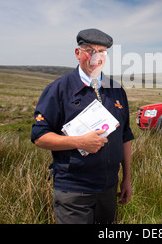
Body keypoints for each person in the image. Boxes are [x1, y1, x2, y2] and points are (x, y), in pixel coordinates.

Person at [31, 28, 134, 224]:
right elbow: (39, 137)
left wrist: (127, 178)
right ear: (78, 53)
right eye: (90, 50)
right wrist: (80, 142)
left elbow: (125, 137)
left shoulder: (116, 90)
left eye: (102, 51)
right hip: (74, 190)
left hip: (109, 189)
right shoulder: (58, 89)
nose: (96, 57)